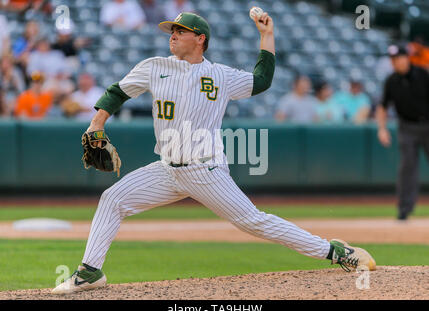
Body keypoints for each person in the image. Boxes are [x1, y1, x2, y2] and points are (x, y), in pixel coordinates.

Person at [51, 11, 375, 294]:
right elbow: (118, 91)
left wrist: (267, 35)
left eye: (180, 32)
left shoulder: (220, 75)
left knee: (253, 222)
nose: (172, 37)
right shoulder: (154, 67)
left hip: (204, 170)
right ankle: (90, 271)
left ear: (200, 39)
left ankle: (335, 251)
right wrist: (96, 123)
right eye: (171, 32)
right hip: (168, 169)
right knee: (113, 199)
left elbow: (261, 80)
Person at [376, 45, 429, 221]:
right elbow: (383, 106)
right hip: (407, 127)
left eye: (399, 57)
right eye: (393, 59)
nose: (396, 61)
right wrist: (382, 129)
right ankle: (404, 209)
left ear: (407, 58)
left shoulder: (422, 74)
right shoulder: (391, 80)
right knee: (407, 168)